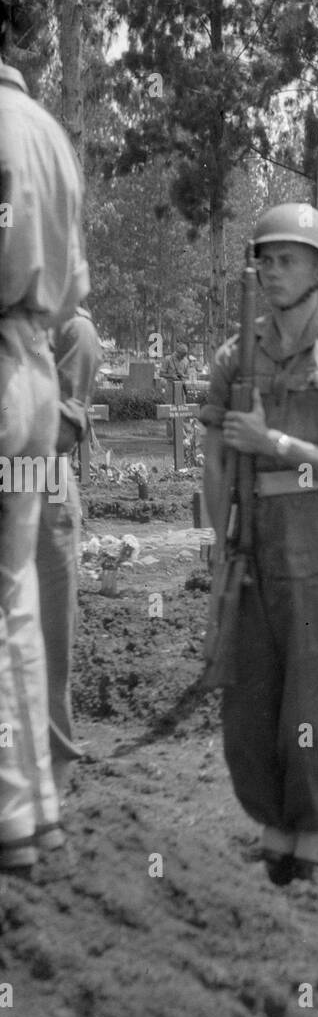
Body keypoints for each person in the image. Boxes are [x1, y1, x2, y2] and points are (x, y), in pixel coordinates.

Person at [201, 203, 318, 887]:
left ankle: (310, 835)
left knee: (313, 702)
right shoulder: (234, 355)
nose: (272, 272)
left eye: (288, 260)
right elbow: (216, 463)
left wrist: (276, 445)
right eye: (265, 260)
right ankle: (273, 825)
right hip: (252, 549)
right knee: (249, 702)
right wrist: (221, 548)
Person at [0, 0, 90, 876]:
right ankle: (32, 810)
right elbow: (73, 291)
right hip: (31, 376)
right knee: (14, 589)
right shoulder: (49, 137)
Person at [36, 305, 101, 796]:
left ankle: (54, 780)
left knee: (46, 645)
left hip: (42, 501)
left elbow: (57, 433)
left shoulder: (71, 328)